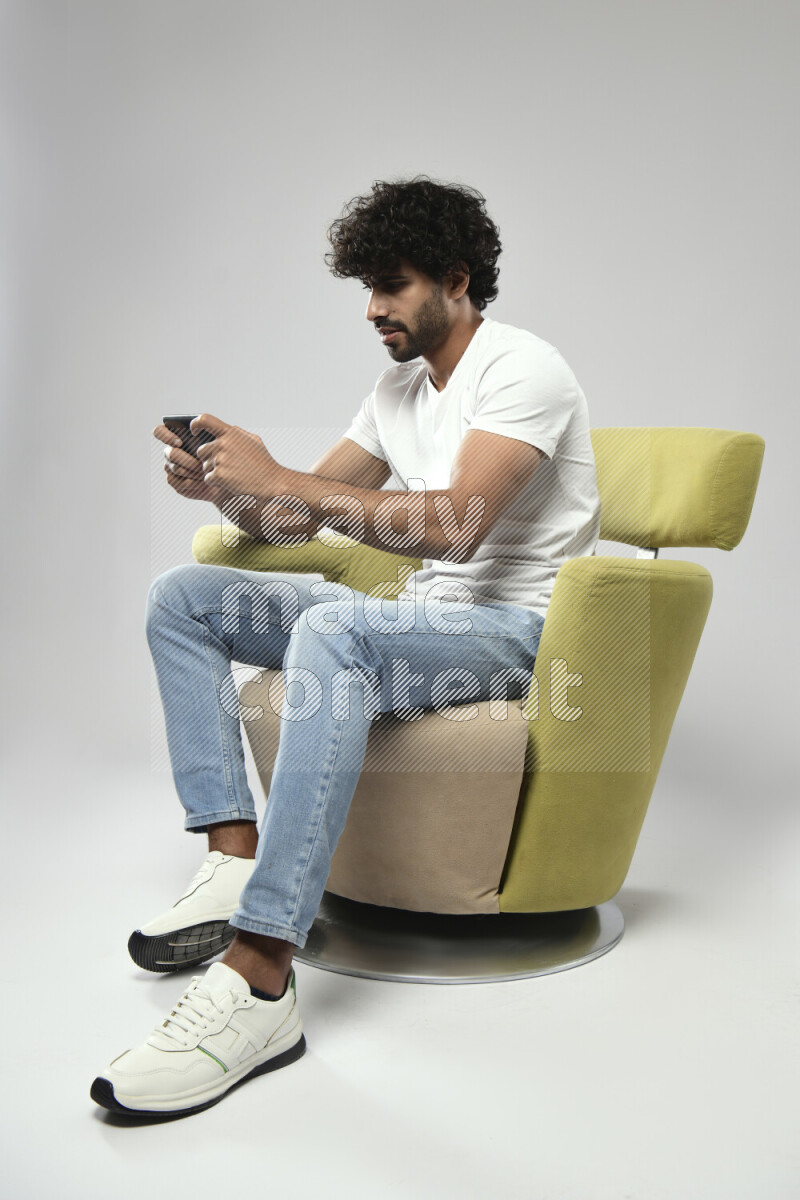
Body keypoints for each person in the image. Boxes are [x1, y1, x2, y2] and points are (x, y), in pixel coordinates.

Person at [91, 177, 601, 1118]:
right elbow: (301, 516)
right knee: (185, 598)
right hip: (418, 618)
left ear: (456, 281)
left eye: (393, 285)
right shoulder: (400, 386)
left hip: (515, 633)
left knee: (334, 624)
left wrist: (283, 479)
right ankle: (235, 855)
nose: (374, 308)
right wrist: (227, 491)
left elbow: (456, 527)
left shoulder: (522, 369)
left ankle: (261, 972)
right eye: (367, 287)